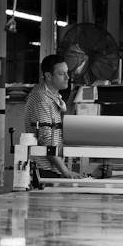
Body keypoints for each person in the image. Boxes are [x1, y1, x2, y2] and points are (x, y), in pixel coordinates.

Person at [23, 53, 79, 183]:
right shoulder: (41, 99)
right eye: (61, 74)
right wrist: (65, 171)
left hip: (52, 169)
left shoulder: (54, 98)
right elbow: (46, 139)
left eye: (67, 73)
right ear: (48, 76)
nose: (67, 77)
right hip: (43, 170)